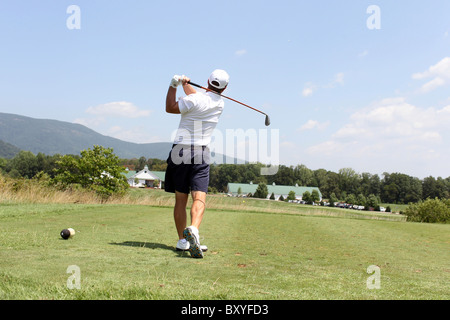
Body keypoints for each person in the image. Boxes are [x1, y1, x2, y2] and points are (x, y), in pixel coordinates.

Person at [164, 69, 229, 258]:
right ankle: (194, 229)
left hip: (180, 151)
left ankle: (182, 241)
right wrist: (186, 84)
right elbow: (199, 97)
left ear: (208, 81)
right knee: (199, 197)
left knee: (181, 199)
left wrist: (173, 85)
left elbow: (170, 107)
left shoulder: (194, 100)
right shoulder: (220, 104)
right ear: (225, 88)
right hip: (201, 152)